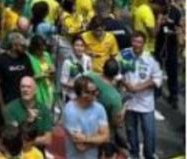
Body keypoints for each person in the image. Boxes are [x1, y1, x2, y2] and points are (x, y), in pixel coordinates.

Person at [119, 31, 163, 159]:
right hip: (129, 101)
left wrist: (139, 87)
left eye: (139, 42)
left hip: (145, 103)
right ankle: (134, 155)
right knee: (131, 131)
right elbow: (117, 72)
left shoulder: (151, 58)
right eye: (134, 41)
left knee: (149, 132)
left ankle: (149, 155)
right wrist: (126, 84)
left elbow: (157, 79)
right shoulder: (124, 54)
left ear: (144, 44)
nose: (136, 45)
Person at [61, 77, 110, 159]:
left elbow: (106, 137)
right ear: (79, 93)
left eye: (95, 91)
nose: (93, 95)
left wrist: (86, 138)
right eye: (88, 92)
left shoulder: (100, 108)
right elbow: (80, 147)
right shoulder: (70, 110)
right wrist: (98, 138)